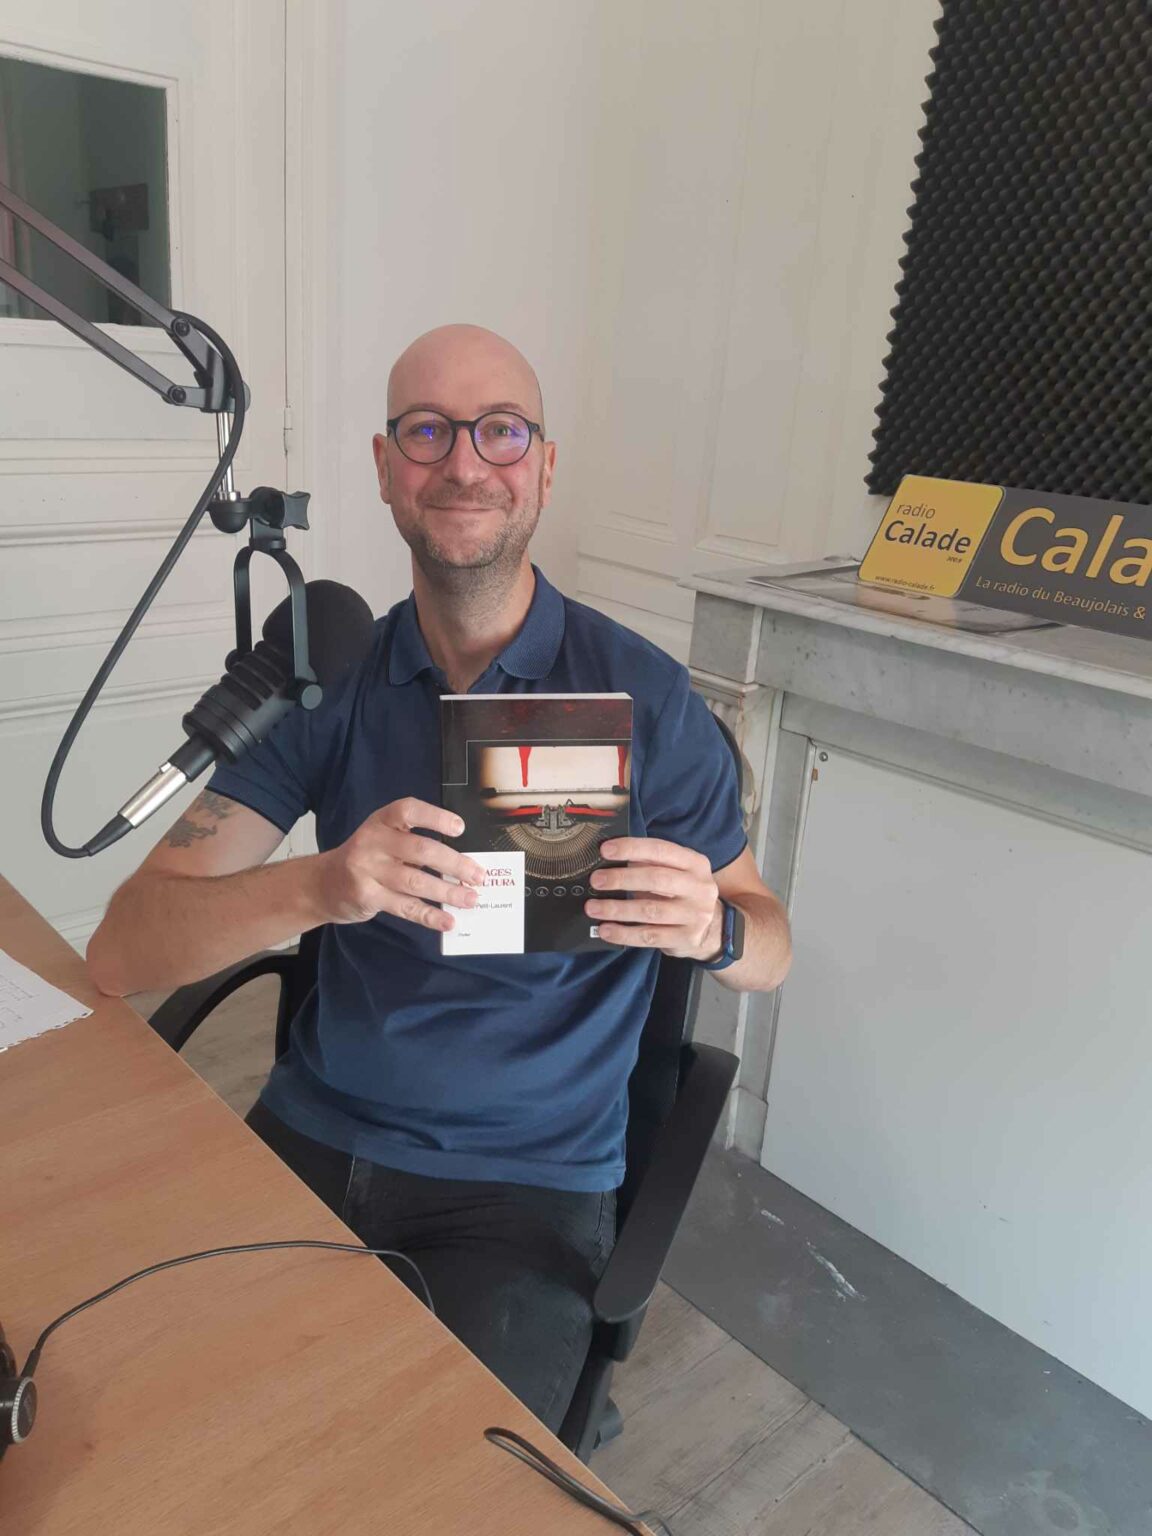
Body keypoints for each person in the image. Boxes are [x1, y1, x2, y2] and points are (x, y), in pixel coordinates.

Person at [88, 324, 791, 1434]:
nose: (464, 462)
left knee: (435, 1480)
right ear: (384, 468)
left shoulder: (646, 700)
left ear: (544, 467)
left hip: (527, 1185)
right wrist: (321, 885)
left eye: (500, 431)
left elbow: (771, 946)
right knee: (176, 1430)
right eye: (427, 432)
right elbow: (122, 948)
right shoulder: (329, 681)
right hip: (316, 1134)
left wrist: (717, 929)